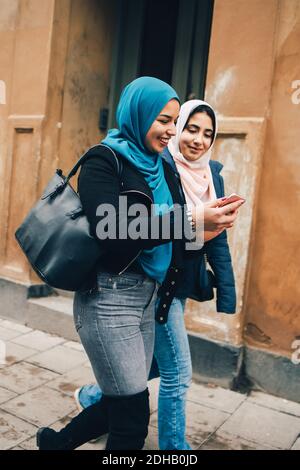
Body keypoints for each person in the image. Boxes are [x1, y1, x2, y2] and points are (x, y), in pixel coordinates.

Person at [72, 99, 242, 450]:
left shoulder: (200, 173)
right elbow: (117, 228)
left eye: (207, 133)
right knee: (171, 379)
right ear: (142, 116)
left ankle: (84, 407)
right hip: (129, 289)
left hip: (166, 286)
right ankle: (175, 449)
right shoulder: (116, 160)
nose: (195, 138)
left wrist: (225, 288)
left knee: (142, 376)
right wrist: (195, 221)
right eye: (184, 126)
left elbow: (208, 240)